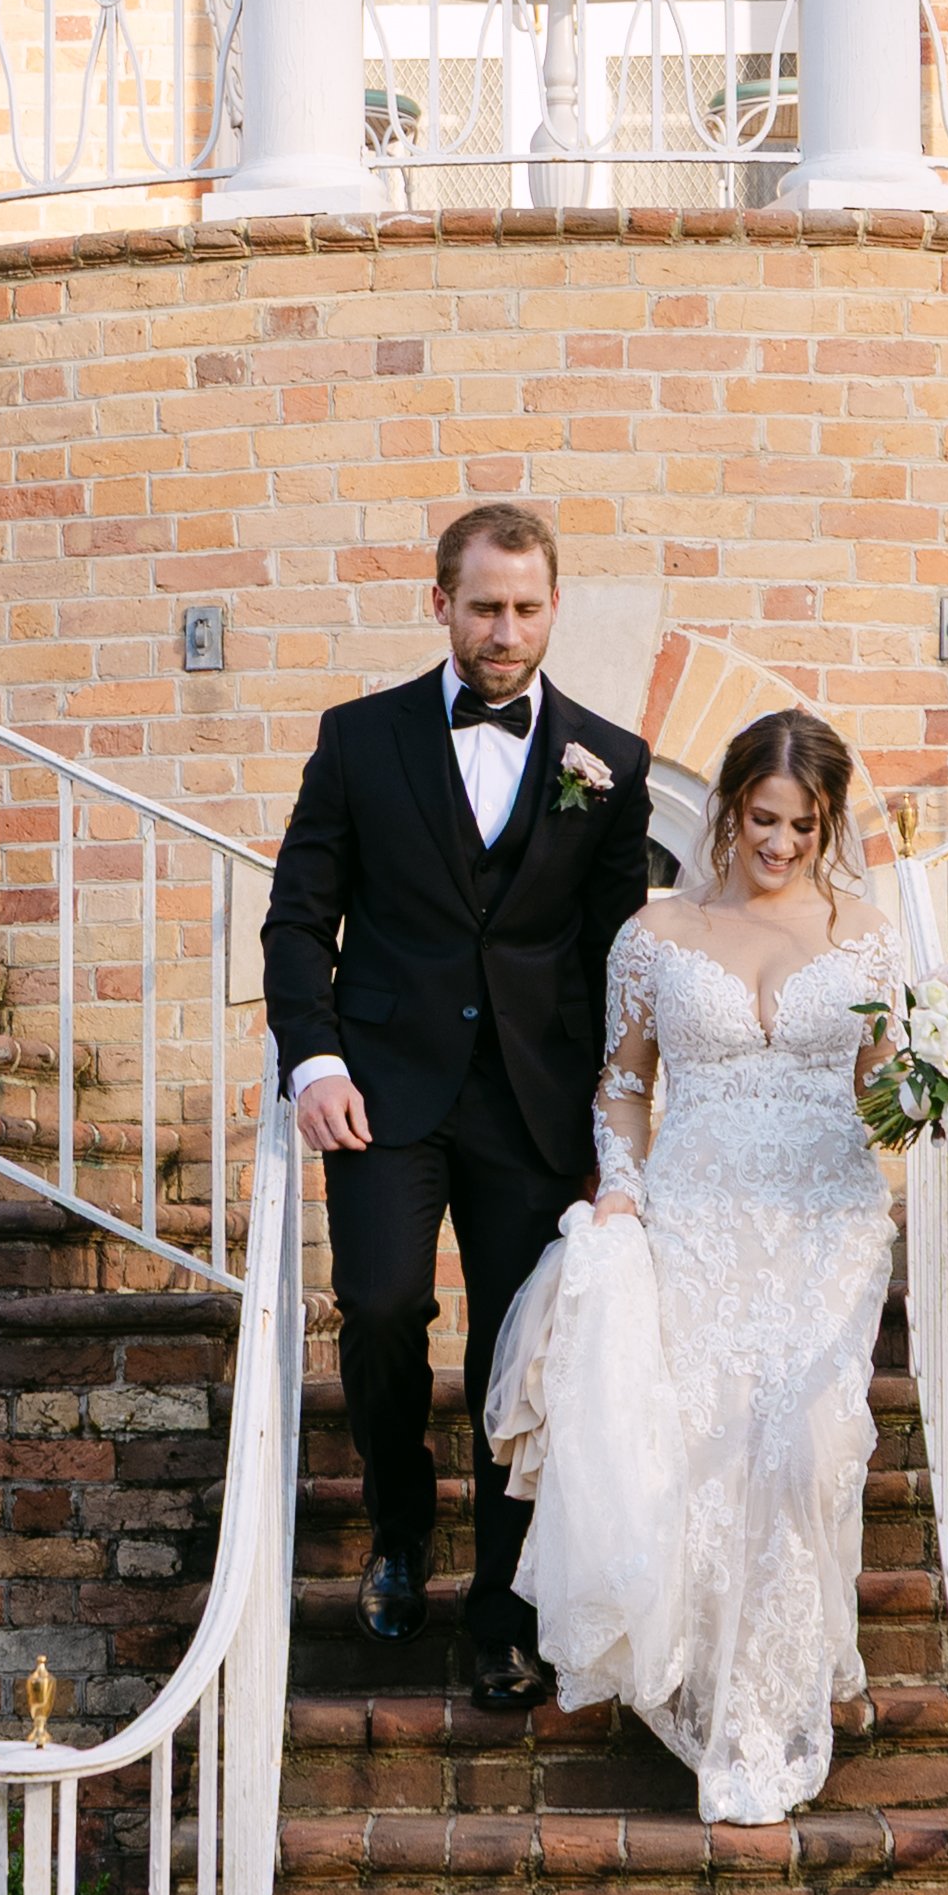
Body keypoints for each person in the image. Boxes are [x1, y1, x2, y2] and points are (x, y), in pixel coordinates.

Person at [260, 502, 652, 1711]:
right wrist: (313, 1060)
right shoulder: (358, 740)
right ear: (440, 602)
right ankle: (395, 1517)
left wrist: (613, 1125)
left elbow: (616, 957)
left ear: (551, 606)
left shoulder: (611, 761)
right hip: (379, 1087)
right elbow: (294, 918)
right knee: (380, 1305)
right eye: (483, 605)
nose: (505, 630)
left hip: (533, 1104)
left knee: (511, 1352)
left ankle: (499, 1609)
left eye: (527, 607)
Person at [503, 709, 902, 1822]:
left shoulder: (866, 934)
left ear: (826, 825)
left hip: (828, 1212)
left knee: (807, 1442)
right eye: (760, 817)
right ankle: (729, 1701)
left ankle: (786, 1687)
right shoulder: (655, 931)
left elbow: (889, 1088)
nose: (776, 843)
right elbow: (622, 1082)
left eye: (800, 824)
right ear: (727, 805)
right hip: (693, 1209)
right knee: (706, 1446)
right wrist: (618, 1183)